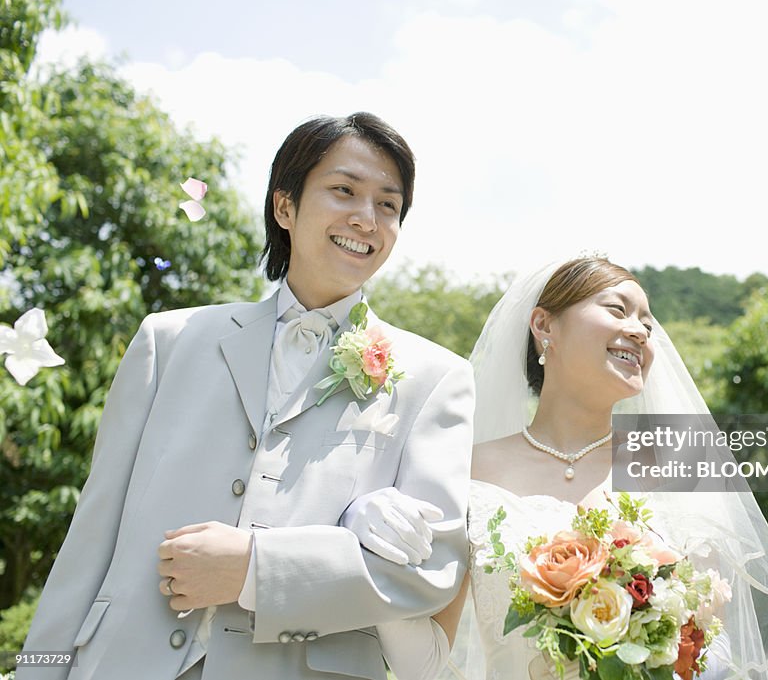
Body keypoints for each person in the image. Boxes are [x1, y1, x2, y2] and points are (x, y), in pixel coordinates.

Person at [18, 113, 474, 680]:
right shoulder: (169, 341)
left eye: (388, 204)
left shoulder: (435, 379)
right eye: (344, 190)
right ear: (285, 206)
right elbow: (89, 542)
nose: (366, 218)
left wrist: (258, 570)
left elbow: (433, 571)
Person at [359, 257, 768, 679]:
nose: (641, 333)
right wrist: (379, 556)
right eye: (617, 310)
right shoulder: (470, 472)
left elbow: (706, 657)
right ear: (544, 325)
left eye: (647, 325)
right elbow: (424, 665)